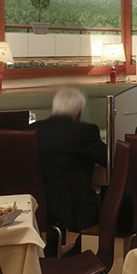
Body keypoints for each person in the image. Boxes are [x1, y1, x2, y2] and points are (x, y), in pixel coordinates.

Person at [34, 88, 106, 257]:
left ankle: (52, 248)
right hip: (75, 205)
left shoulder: (33, 129)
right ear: (79, 112)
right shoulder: (85, 132)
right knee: (107, 198)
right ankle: (80, 251)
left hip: (39, 204)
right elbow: (109, 159)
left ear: (54, 108)